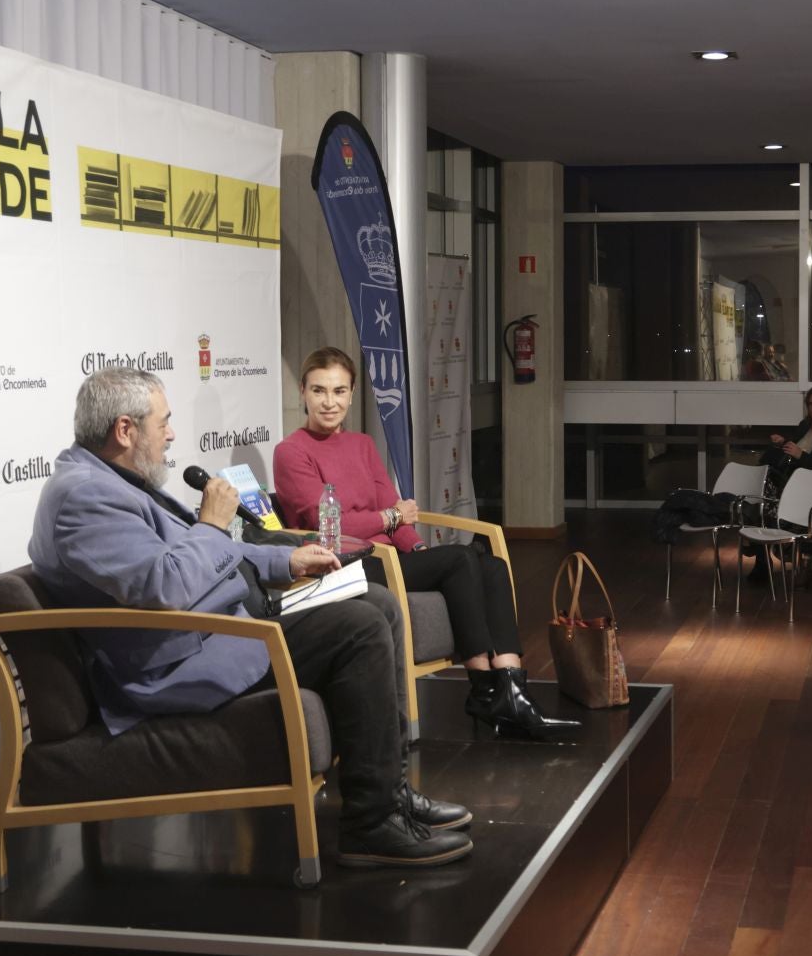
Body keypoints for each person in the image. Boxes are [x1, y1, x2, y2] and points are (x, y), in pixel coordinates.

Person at [29, 368, 474, 868]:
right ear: (125, 430)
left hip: (217, 631)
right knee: (360, 628)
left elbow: (194, 557)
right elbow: (168, 585)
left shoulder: (113, 478)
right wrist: (213, 523)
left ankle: (388, 793)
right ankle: (370, 826)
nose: (172, 434)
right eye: (164, 422)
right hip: (176, 661)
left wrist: (285, 560)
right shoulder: (85, 497)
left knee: (378, 604)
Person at [274, 347, 578, 741]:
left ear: (351, 394)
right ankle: (484, 688)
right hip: (342, 563)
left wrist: (416, 547)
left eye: (338, 391)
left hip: (387, 557)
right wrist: (390, 519)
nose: (329, 402)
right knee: (460, 559)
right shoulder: (292, 451)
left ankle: (512, 688)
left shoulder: (362, 445)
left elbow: (392, 507)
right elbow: (326, 523)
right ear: (303, 392)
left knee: (490, 564)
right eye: (319, 391)